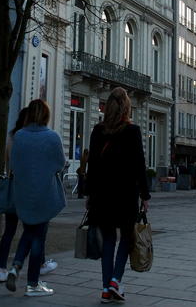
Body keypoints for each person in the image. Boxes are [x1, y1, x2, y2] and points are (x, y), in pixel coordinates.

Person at [86, 87, 151, 304]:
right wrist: (145, 195)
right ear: (126, 106)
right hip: (125, 195)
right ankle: (115, 280)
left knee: (108, 240)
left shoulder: (98, 130)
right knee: (126, 238)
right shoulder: (132, 131)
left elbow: (92, 166)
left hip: (102, 195)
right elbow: (139, 166)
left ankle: (106, 288)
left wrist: (88, 193)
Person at [4, 99, 66, 297]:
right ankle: (32, 283)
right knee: (39, 236)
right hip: (44, 194)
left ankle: (15, 267)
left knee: (29, 231)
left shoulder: (19, 136)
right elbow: (60, 164)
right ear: (46, 115)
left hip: (23, 194)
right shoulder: (52, 137)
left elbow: (12, 163)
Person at [0, 108, 57, 283]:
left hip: (13, 186)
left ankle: (1, 268)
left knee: (10, 231)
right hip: (26, 190)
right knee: (34, 229)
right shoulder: (26, 139)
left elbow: (10, 165)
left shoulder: (12, 139)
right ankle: (38, 267)